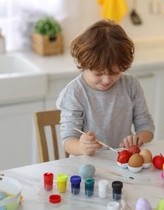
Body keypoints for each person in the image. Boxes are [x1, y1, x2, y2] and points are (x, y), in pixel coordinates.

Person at [56, 19, 154, 156]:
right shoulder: (74, 93)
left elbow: (146, 125)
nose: (107, 80)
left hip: (122, 163)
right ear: (83, 64)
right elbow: (68, 139)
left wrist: (138, 139)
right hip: (87, 165)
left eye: (115, 73)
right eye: (98, 73)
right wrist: (81, 147)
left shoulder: (131, 86)